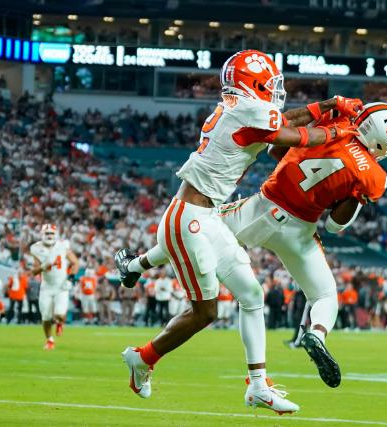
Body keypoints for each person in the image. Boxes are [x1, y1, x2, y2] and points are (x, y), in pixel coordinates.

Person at [114, 49, 356, 412]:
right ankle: (142, 358)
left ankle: (258, 386)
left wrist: (329, 105)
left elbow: (281, 120)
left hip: (206, 217)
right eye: (269, 84)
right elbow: (297, 136)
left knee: (252, 295)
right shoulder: (249, 109)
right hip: (190, 219)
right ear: (253, 83)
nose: (275, 90)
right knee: (205, 313)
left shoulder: (240, 106)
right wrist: (340, 130)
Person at [220, 101, 387, 387]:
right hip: (300, 230)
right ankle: (316, 333)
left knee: (195, 227)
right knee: (325, 296)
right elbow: (335, 225)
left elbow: (275, 149)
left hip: (264, 208)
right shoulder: (375, 177)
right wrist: (356, 195)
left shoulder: (334, 125)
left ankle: (139, 263)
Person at [29, 224, 79, 350]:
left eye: (51, 233)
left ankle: (60, 323)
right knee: (46, 317)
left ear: (56, 234)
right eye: (47, 234)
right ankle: (49, 340)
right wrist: (43, 266)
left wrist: (71, 277)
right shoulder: (36, 248)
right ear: (42, 235)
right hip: (46, 287)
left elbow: (75, 263)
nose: (49, 236)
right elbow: (34, 271)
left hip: (61, 286)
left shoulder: (62, 246)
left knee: (60, 315)